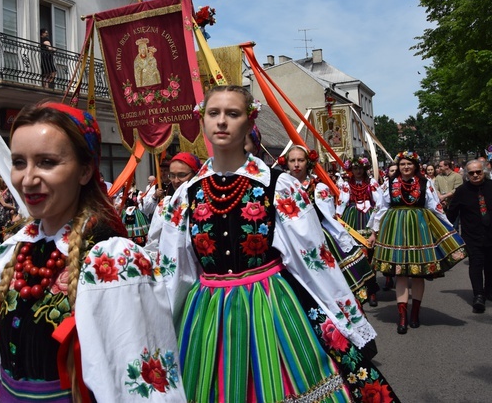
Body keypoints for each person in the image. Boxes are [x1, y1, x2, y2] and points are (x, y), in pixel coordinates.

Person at [0, 102, 183, 402]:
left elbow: (141, 388)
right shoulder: (15, 248)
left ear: (85, 170)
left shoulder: (112, 262)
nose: (27, 179)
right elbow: (29, 341)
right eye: (19, 162)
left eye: (47, 162)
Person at [152, 86, 397, 401]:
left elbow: (313, 260)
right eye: (214, 113)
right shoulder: (185, 196)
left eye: (233, 113)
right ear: (203, 121)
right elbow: (175, 273)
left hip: (270, 306)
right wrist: (161, 336)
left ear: (250, 119)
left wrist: (347, 321)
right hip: (208, 315)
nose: (222, 122)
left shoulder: (278, 186)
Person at [370, 151, 467, 334]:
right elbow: (381, 209)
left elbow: (435, 207)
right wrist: (374, 231)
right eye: (402, 164)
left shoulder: (425, 183)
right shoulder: (389, 184)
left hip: (419, 228)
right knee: (400, 273)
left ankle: (414, 313)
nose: (405, 167)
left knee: (418, 273)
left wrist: (448, 227)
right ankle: (402, 316)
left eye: (409, 164)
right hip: (395, 229)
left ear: (415, 166)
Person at [282, 145, 375, 305]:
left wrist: (344, 241)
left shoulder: (318, 188)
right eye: (292, 160)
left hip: (318, 238)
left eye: (300, 160)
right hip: (292, 243)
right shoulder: (282, 189)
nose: (296, 164)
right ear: (287, 163)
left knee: (331, 286)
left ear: (308, 163)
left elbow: (330, 219)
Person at [447, 160, 492, 312]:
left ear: (484, 172)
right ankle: (478, 295)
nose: (475, 175)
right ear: (467, 174)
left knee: (491, 264)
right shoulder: (462, 191)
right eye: (471, 173)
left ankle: (489, 288)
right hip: (472, 235)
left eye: (478, 172)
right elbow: (451, 213)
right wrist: (444, 230)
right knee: (476, 264)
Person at [337, 156, 384, 303]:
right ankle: (360, 287)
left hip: (369, 217)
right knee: (357, 253)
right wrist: (337, 218)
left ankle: (372, 289)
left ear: (364, 168)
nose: (357, 171)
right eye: (355, 168)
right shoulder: (346, 184)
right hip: (352, 218)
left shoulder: (372, 183)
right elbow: (342, 202)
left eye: (360, 168)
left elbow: (380, 201)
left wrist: (377, 220)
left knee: (371, 253)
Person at [144, 152, 201, 256]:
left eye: (182, 175)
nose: (176, 180)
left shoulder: (204, 203)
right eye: (172, 175)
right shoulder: (165, 205)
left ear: (196, 174)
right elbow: (153, 243)